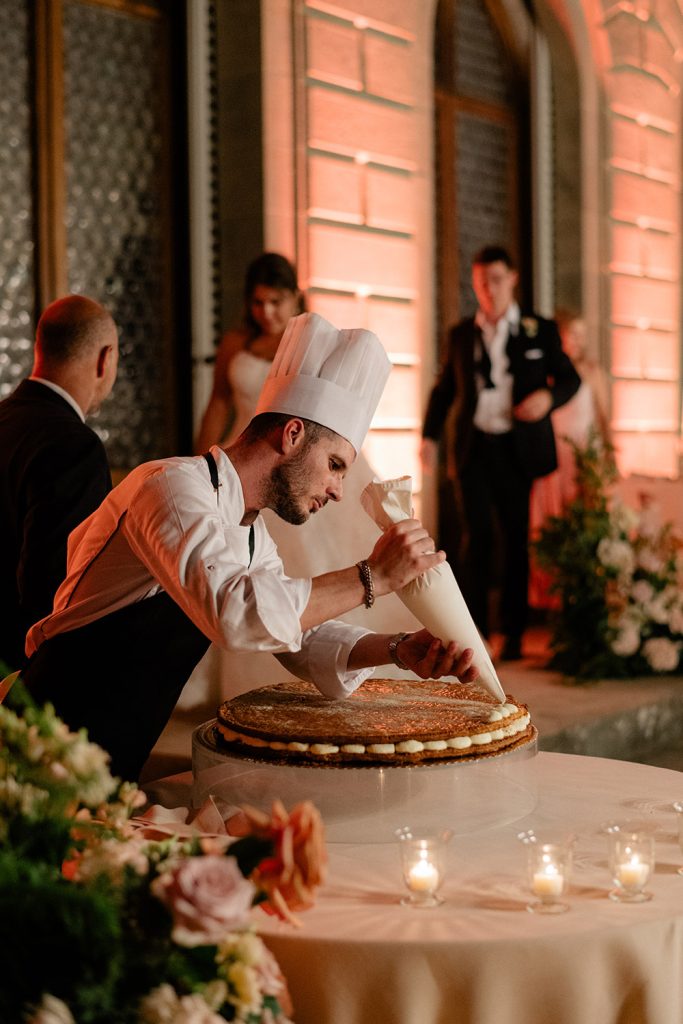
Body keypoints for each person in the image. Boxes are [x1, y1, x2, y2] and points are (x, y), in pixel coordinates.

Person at [22, 312, 478, 781]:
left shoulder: (252, 531)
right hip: (37, 743)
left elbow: (295, 633)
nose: (339, 489)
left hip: (104, 760)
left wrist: (400, 649)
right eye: (335, 464)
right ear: (293, 433)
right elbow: (235, 615)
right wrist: (373, 575)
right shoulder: (171, 489)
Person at [191, 253, 420, 707]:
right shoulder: (236, 344)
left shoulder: (313, 353)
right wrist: (203, 463)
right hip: (257, 469)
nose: (266, 312)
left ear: (295, 295)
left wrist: (396, 646)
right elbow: (218, 403)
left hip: (299, 464)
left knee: (303, 564)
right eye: (257, 302)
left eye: (276, 301)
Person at [421, 246, 581, 661]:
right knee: (475, 538)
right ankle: (473, 628)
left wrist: (547, 397)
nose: (488, 290)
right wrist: (429, 437)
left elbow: (569, 378)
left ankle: (512, 632)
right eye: (480, 283)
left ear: (511, 279)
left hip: (517, 448)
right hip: (474, 448)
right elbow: (444, 391)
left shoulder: (538, 329)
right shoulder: (461, 334)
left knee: (514, 537)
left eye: (495, 280)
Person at [0, 295, 119, 670]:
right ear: (105, 359)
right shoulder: (74, 447)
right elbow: (58, 588)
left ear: (40, 349)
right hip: (20, 672)